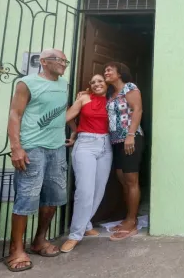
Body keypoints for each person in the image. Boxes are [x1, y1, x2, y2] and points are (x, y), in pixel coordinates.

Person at [5, 49, 70, 272]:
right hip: (33, 148)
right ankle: (16, 249)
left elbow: (60, 112)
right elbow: (15, 114)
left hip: (57, 148)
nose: (63, 63)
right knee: (26, 197)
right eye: (59, 60)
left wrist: (72, 132)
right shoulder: (27, 83)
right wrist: (16, 148)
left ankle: (39, 240)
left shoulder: (64, 85)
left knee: (53, 197)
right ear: (43, 62)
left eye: (65, 60)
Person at [59, 74, 112, 253]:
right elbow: (66, 117)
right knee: (84, 190)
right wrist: (76, 131)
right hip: (86, 145)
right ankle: (75, 235)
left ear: (107, 84)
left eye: (100, 81)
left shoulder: (112, 100)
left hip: (107, 145)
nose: (96, 84)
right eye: (93, 82)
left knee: (99, 189)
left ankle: (86, 224)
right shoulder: (83, 98)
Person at [104, 62, 145, 241]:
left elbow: (138, 109)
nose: (106, 72)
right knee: (122, 178)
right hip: (116, 141)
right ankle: (128, 216)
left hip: (131, 138)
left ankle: (132, 221)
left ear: (119, 73)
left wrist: (130, 134)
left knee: (131, 180)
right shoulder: (110, 95)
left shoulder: (129, 87)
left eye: (109, 70)